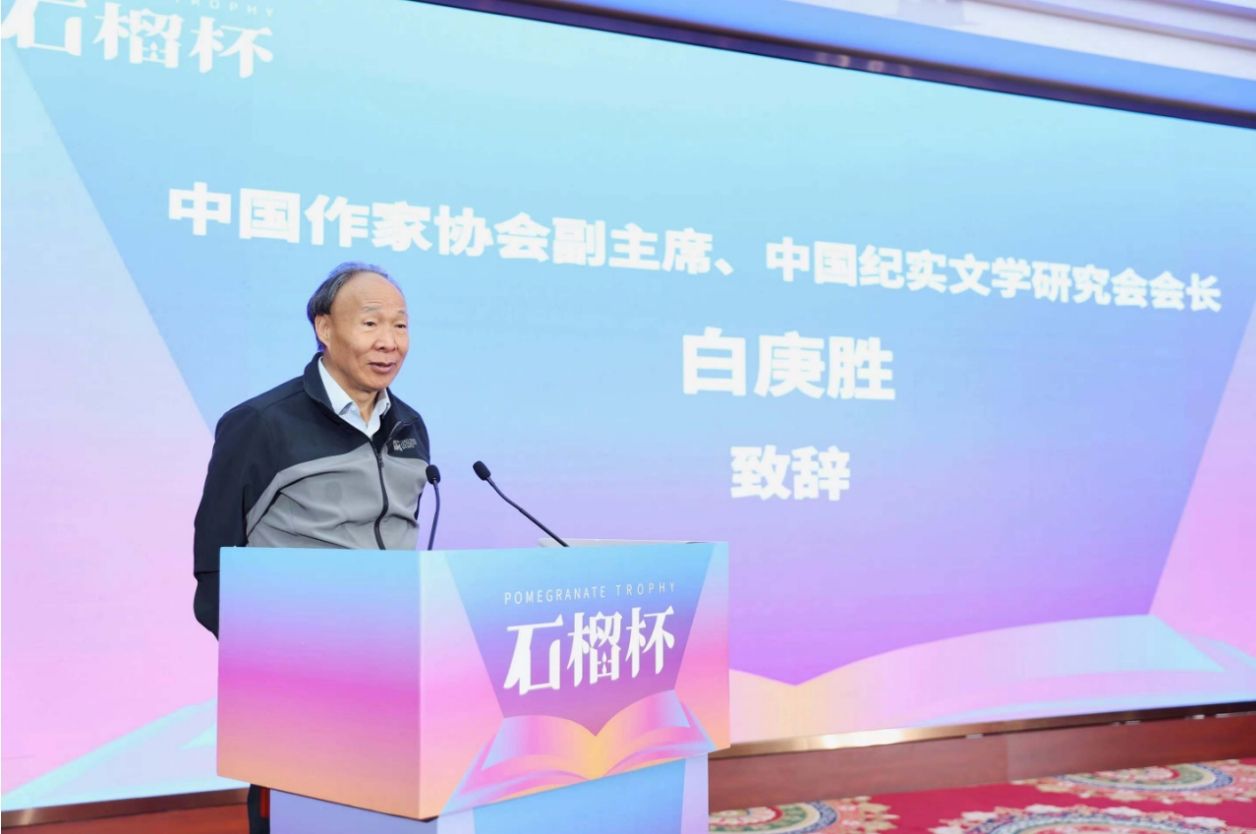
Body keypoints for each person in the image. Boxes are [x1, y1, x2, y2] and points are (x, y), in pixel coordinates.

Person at [191, 262, 431, 834]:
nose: (389, 341)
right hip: (300, 687)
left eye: (400, 325)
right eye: (370, 323)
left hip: (397, 676)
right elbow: (214, 565)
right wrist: (272, 663)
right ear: (324, 328)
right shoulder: (262, 424)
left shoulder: (410, 426)